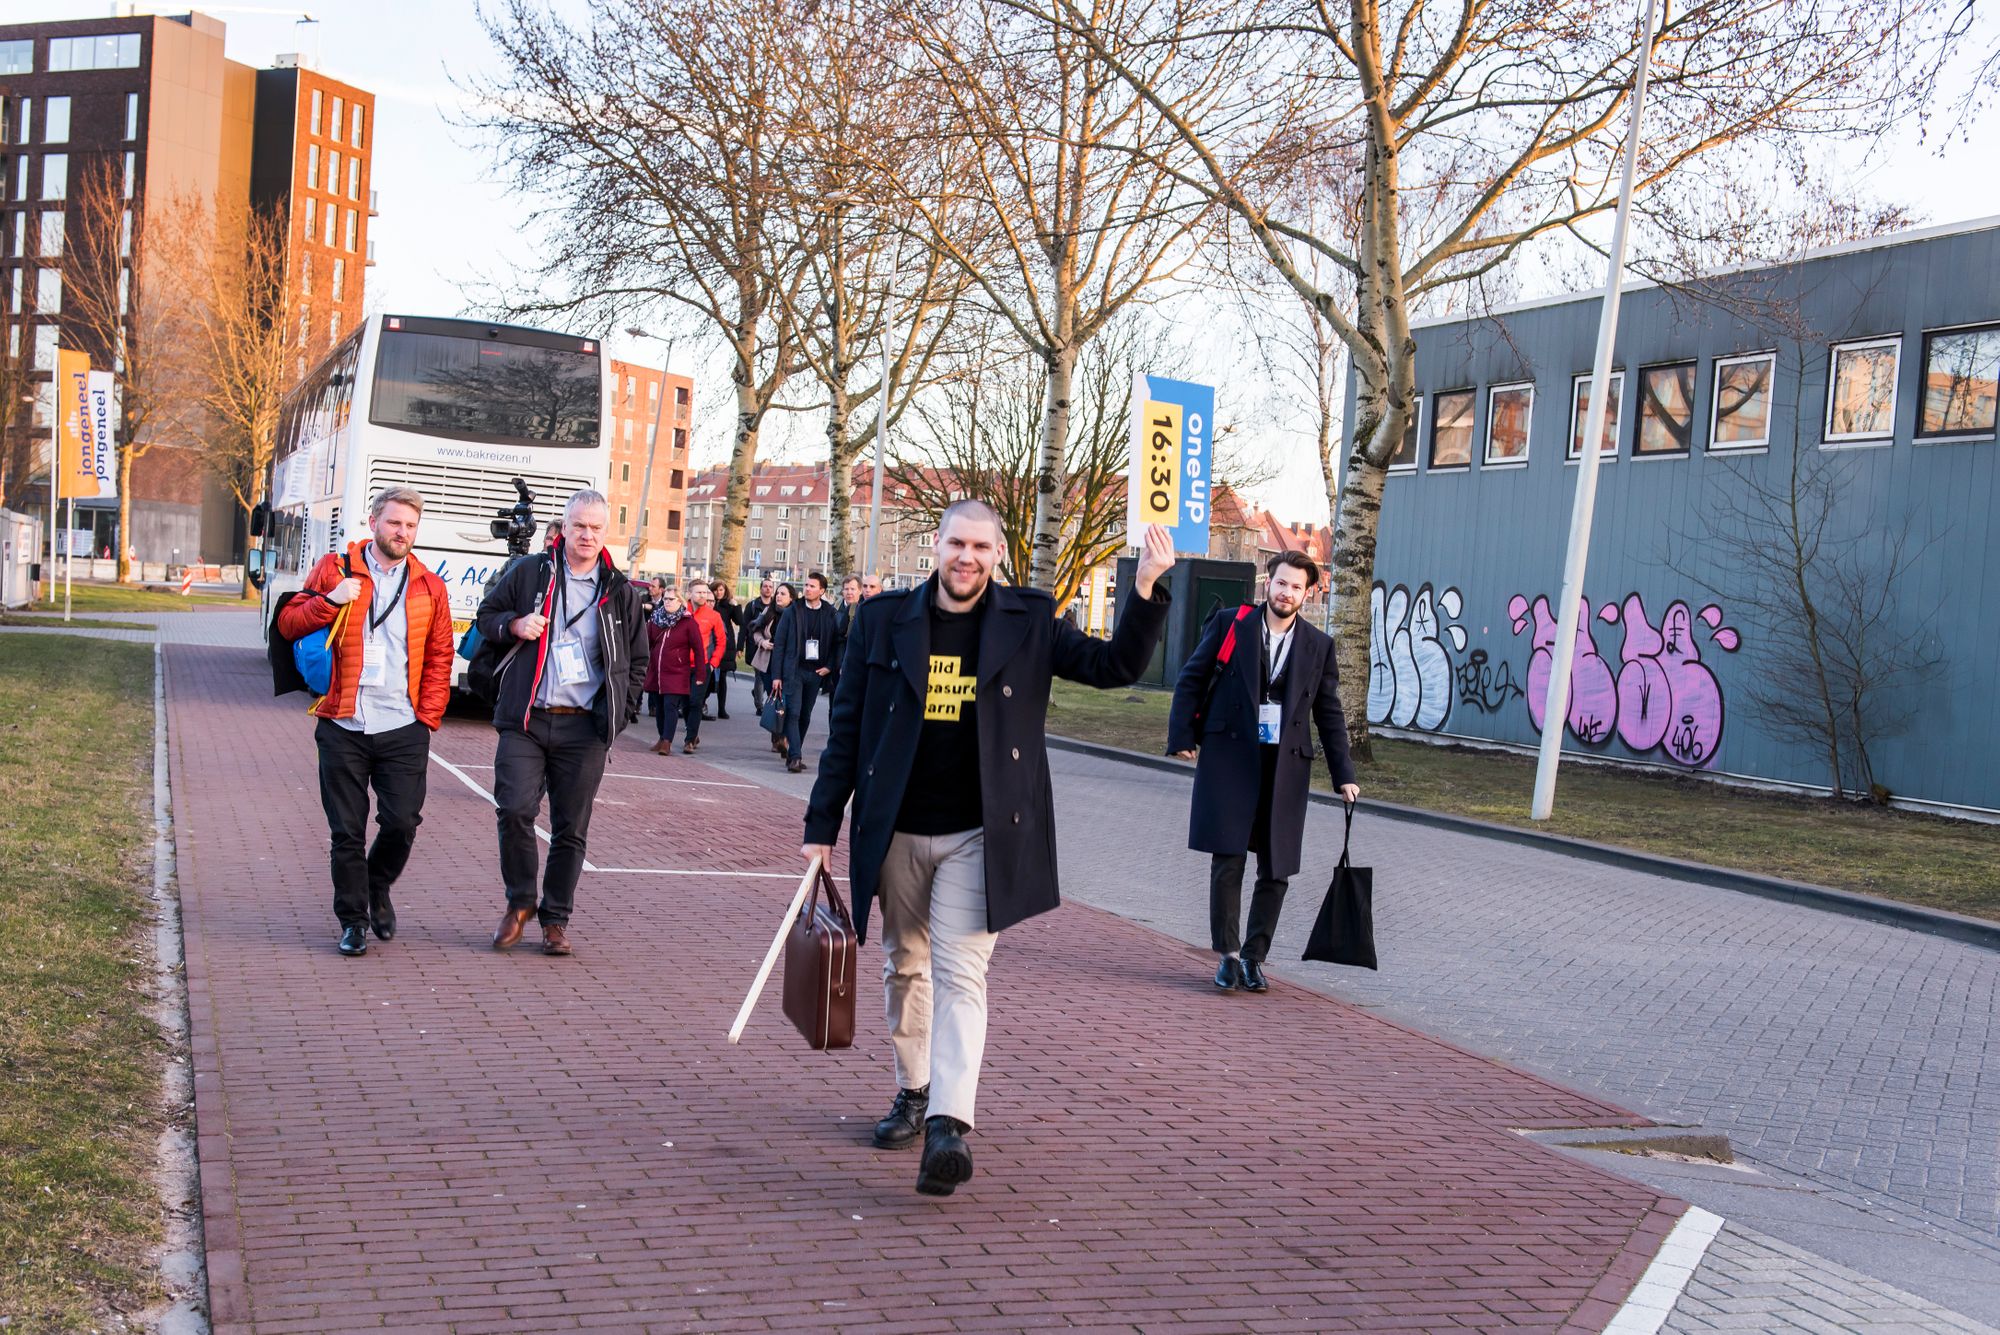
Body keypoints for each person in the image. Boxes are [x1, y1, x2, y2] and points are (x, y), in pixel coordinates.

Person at [801, 503, 1176, 1196]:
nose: (966, 556)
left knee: (961, 973)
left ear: (998, 552)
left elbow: (1113, 664)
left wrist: (1146, 587)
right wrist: (821, 825)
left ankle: (949, 1122)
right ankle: (913, 1090)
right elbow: (847, 727)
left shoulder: (1028, 619)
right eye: (955, 543)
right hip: (897, 829)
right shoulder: (884, 620)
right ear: (935, 547)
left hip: (983, 832)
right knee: (903, 967)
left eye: (980, 545)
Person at [1167, 551, 1360, 993]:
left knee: (1276, 868)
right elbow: (1192, 679)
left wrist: (1343, 772)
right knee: (1228, 858)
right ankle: (1229, 956)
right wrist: (1181, 736)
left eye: (1296, 587)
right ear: (1267, 584)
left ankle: (1256, 957)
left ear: (1306, 593)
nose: (1286, 592)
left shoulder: (1318, 645)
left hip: (1286, 764)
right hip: (1231, 757)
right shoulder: (1231, 625)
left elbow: (1328, 713)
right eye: (1281, 583)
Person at [277, 486, 456, 957]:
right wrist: (330, 600)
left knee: (402, 822)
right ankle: (354, 921)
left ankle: (377, 886)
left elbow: (441, 655)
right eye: (394, 522)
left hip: (403, 724)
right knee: (347, 832)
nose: (402, 532)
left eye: (411, 526)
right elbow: (289, 625)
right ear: (374, 521)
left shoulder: (429, 586)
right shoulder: (335, 570)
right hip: (343, 723)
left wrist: (428, 718)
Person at [474, 489, 648, 957]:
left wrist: (621, 712)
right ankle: (519, 904)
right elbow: (485, 615)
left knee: (571, 829)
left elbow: (636, 661)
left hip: (584, 728)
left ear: (605, 532)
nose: (587, 535)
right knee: (513, 809)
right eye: (579, 526)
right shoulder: (530, 572)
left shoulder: (621, 592)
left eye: (595, 528)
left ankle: (555, 919)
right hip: (528, 718)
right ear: (564, 528)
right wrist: (513, 624)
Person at [772, 571, 842, 774]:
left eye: (812, 586)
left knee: (805, 715)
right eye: (807, 585)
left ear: (822, 590)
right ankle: (795, 757)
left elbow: (837, 642)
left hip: (816, 673)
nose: (808, 589)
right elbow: (780, 644)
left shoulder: (829, 613)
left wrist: (829, 665)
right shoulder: (793, 611)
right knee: (793, 713)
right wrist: (777, 675)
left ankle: (795, 750)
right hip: (794, 670)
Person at [643, 585, 708, 755]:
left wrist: (701, 673)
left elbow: (699, 649)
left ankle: (667, 741)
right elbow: (646, 643)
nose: (667, 602)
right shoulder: (656, 619)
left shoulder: (688, 622)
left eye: (671, 599)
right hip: (657, 670)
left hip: (677, 671)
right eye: (665, 599)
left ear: (680, 601)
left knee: (670, 705)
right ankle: (661, 736)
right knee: (659, 706)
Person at [751, 583, 794, 754]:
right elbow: (754, 629)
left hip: (787, 663)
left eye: (783, 594)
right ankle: (776, 737)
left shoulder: (795, 614)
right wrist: (762, 642)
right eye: (778, 593)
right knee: (773, 698)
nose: (778, 596)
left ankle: (784, 737)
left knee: (787, 700)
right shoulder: (769, 612)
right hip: (768, 662)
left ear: (791, 597)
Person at [687, 582, 728, 729]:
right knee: (684, 703)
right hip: (681, 666)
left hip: (702, 666)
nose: (702, 596)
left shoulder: (714, 616)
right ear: (689, 594)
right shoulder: (681, 612)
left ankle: (691, 739)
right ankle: (689, 729)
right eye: (698, 592)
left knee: (695, 702)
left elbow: (722, 641)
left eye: (704, 593)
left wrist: (713, 663)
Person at [741, 577, 777, 712]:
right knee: (760, 676)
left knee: (768, 678)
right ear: (761, 588)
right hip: (757, 647)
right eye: (765, 586)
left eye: (770, 587)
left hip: (773, 649)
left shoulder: (776, 607)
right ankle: (760, 705)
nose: (768, 589)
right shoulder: (753, 605)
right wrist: (741, 646)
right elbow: (747, 626)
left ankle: (759, 695)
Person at [711, 579, 741, 719]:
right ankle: (702, 704)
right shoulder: (709, 604)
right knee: (707, 676)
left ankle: (721, 708)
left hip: (725, 644)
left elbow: (740, 621)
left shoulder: (728, 606)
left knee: (722, 677)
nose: (719, 592)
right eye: (716, 589)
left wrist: (736, 606)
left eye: (721, 590)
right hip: (710, 642)